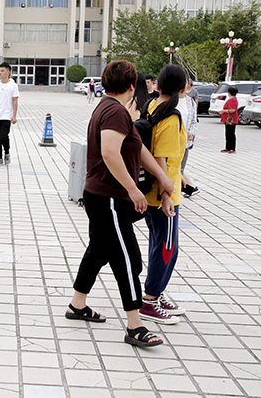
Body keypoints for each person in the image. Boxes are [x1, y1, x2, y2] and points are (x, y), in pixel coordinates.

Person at [67, 60, 173, 347]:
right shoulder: (114, 111)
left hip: (102, 195)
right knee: (128, 259)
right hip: (108, 198)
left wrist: (161, 177)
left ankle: (78, 304)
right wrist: (134, 190)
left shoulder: (111, 108)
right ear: (132, 85)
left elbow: (137, 149)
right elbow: (110, 153)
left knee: (98, 251)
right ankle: (135, 326)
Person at [139, 64, 187, 325]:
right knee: (168, 248)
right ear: (183, 87)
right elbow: (161, 158)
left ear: (157, 84)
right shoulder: (171, 116)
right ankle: (150, 300)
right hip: (163, 194)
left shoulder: (151, 105)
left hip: (152, 191)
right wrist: (166, 195)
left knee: (158, 244)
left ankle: (156, 291)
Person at [177, 79, 199, 197]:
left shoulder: (190, 102)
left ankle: (179, 193)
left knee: (180, 169)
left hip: (185, 143)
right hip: (172, 142)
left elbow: (194, 122)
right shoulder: (169, 101)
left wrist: (191, 132)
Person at [218, 86, 238, 153]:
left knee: (231, 133)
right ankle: (228, 147)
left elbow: (232, 110)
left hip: (230, 119)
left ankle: (232, 148)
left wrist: (223, 111)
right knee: (228, 133)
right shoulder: (234, 99)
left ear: (229, 93)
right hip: (229, 119)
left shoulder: (231, 100)